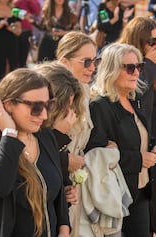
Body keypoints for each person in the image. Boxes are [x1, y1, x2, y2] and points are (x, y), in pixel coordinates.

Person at [0, 68, 70, 236]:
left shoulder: (45, 136)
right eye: (37, 107)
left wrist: (64, 227)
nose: (45, 115)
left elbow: (57, 190)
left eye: (48, 105)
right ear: (8, 105)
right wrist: (9, 135)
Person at [86, 43, 156, 237]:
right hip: (116, 195)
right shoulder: (100, 107)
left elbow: (143, 135)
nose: (136, 73)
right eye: (129, 68)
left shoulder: (133, 99)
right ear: (111, 70)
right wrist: (139, 159)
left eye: (139, 67)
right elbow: (96, 156)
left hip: (141, 190)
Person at [117, 16, 156, 237]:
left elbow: (153, 113)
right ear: (138, 44)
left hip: (151, 156)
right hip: (127, 164)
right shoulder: (127, 68)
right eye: (152, 41)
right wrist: (147, 64)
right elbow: (133, 95)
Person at [56, 31, 97, 237]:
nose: (92, 67)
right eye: (86, 61)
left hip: (73, 183)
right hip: (52, 181)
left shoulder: (85, 90)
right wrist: (64, 161)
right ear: (64, 61)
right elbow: (35, 144)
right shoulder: (51, 95)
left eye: (95, 60)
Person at [34, 61, 85, 206]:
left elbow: (57, 185)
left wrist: (66, 193)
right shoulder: (30, 127)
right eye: (64, 106)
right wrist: (59, 135)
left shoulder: (55, 127)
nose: (69, 112)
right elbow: (35, 168)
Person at [13, 0, 41, 67]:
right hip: (14, 32)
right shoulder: (14, 2)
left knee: (23, 58)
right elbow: (13, 10)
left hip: (27, 31)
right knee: (14, 58)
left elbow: (36, 10)